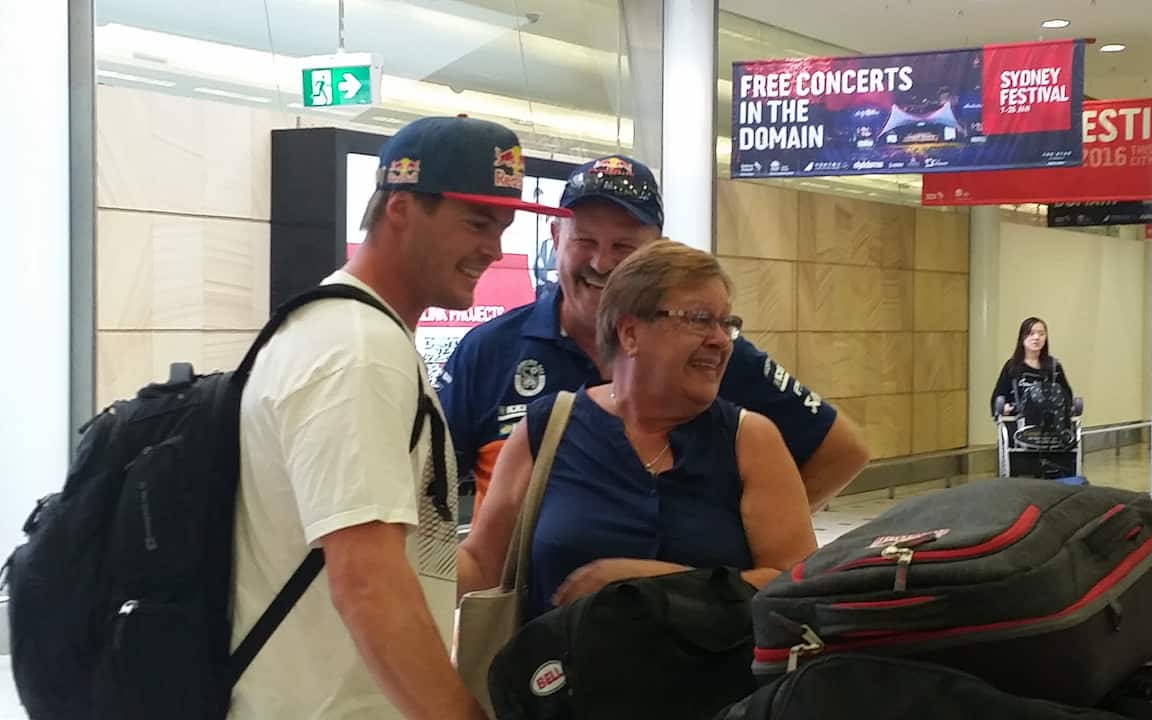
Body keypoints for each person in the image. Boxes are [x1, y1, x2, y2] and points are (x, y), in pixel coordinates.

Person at [228, 116, 570, 719]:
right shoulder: (358, 352)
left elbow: (407, 565)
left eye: (504, 227)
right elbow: (367, 581)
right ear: (402, 208)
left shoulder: (355, 334)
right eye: (476, 222)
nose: (494, 247)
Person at [437, 154, 869, 522]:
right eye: (585, 240)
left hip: (671, 609)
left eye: (624, 247)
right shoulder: (488, 350)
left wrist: (748, 539)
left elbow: (842, 451)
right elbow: (429, 487)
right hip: (529, 612)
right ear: (555, 238)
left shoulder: (710, 353)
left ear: (656, 250)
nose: (601, 263)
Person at [457, 240, 818, 616]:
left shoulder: (750, 440)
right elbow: (483, 565)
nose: (721, 340)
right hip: (559, 673)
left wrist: (657, 583)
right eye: (699, 320)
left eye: (726, 323)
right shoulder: (547, 429)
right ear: (629, 333)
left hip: (714, 674)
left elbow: (796, 586)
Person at [990, 316, 1074, 418]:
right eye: (1031, 333)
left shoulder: (1054, 367)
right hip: (1019, 424)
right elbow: (998, 396)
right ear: (1022, 337)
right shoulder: (1012, 366)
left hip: (1050, 423)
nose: (1036, 337)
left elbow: (1067, 397)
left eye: (1041, 334)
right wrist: (1003, 408)